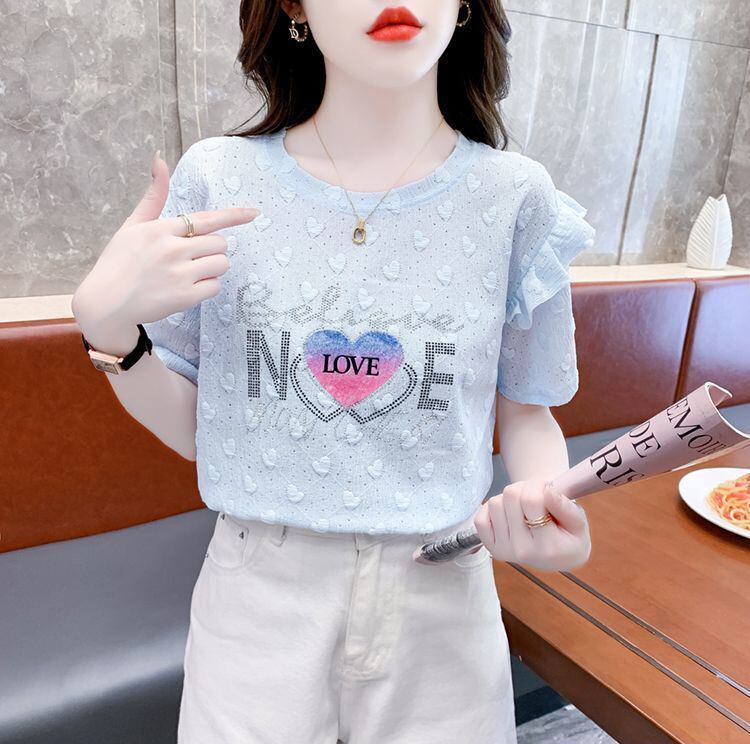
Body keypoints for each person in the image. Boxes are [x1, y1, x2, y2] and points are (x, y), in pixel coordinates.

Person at [72, 1, 596, 741]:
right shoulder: (218, 180)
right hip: (257, 599)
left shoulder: (516, 198)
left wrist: (546, 503)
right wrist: (108, 332)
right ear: (293, 5)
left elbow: (527, 409)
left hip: (442, 590)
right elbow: (200, 430)